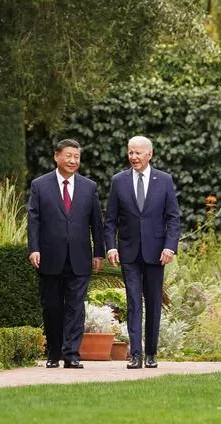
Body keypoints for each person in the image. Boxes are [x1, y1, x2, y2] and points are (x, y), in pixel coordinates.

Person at [104, 135, 181, 369]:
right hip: (128, 253)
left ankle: (151, 354)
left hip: (157, 253)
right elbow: (110, 220)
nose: (133, 157)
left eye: (138, 153)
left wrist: (170, 246)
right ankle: (135, 355)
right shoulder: (119, 181)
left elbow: (173, 218)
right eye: (130, 152)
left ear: (150, 154)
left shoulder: (164, 180)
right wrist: (111, 246)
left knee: (154, 304)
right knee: (133, 303)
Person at [27, 138, 105, 368]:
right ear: (57, 156)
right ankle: (53, 354)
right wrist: (34, 249)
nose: (73, 160)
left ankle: (71, 355)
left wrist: (98, 253)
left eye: (77, 157)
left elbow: (96, 223)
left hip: (80, 257)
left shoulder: (89, 187)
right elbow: (33, 220)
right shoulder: (40, 185)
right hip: (49, 257)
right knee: (52, 307)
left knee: (75, 307)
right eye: (68, 155)